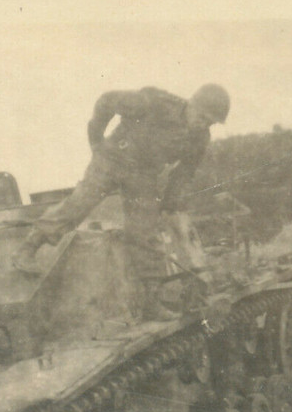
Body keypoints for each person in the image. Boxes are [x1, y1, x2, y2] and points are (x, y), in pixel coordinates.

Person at [12, 83, 230, 320]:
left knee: (145, 231)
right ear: (191, 103)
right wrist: (96, 142)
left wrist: (168, 204)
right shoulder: (154, 103)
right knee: (79, 204)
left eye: (210, 121)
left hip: (144, 174)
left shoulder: (200, 139)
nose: (203, 123)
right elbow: (105, 101)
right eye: (201, 116)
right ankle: (28, 249)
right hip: (112, 159)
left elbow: (184, 173)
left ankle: (151, 302)